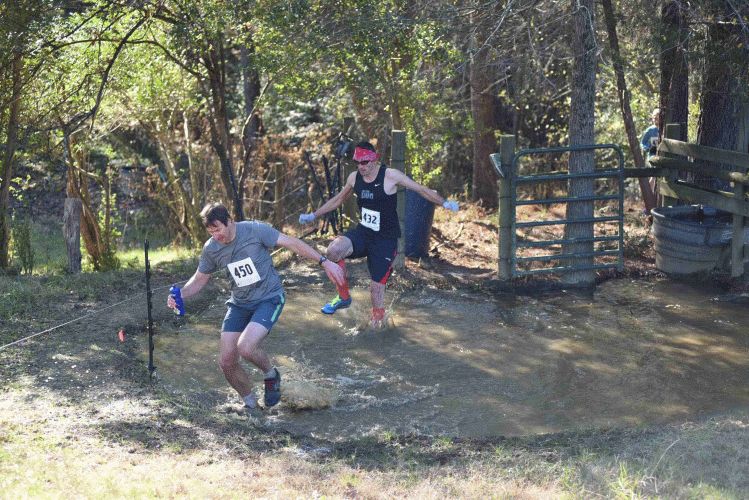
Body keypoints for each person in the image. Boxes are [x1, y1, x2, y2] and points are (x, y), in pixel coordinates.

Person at [167, 203, 344, 411]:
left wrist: (324, 262)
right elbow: (199, 278)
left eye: (218, 229)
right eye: (211, 232)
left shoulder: (255, 230)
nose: (216, 235)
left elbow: (292, 243)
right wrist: (180, 294)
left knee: (246, 347)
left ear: (230, 221)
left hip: (269, 298)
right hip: (239, 304)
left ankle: (271, 374)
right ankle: (251, 404)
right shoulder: (211, 248)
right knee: (226, 361)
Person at [298, 141, 459, 328]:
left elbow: (421, 189)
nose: (361, 166)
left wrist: (444, 203)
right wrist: (313, 215)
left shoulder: (390, 175)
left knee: (375, 290)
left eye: (365, 162)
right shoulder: (354, 178)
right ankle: (343, 297)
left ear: (374, 160)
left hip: (385, 240)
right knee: (333, 250)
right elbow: (338, 200)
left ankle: (379, 326)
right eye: (358, 162)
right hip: (364, 233)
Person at [641, 108, 661, 195]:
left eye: (658, 118)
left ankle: (656, 195)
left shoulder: (664, 129)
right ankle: (649, 195)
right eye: (655, 118)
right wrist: (647, 148)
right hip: (652, 155)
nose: (656, 120)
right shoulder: (650, 130)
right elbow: (642, 143)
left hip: (662, 155)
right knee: (654, 173)